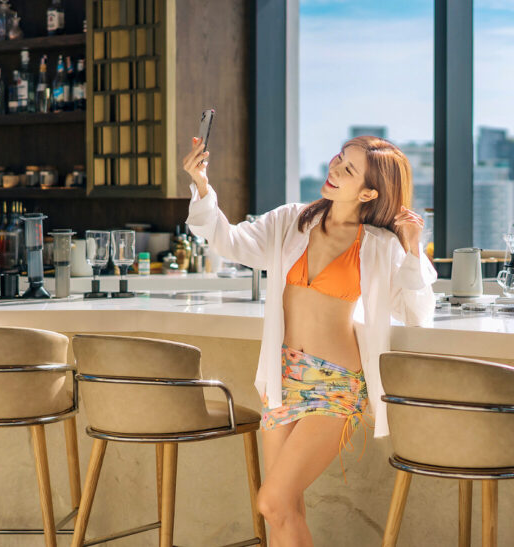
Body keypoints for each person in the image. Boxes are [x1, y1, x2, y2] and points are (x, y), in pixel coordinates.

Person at [184, 134, 435, 546]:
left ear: (370, 191)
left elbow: (416, 312)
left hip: (336, 385)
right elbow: (227, 240)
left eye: (349, 169)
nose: (334, 169)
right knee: (285, 512)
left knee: (273, 502)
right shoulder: (290, 221)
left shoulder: (379, 245)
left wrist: (412, 249)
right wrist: (202, 185)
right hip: (282, 381)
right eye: (339, 158)